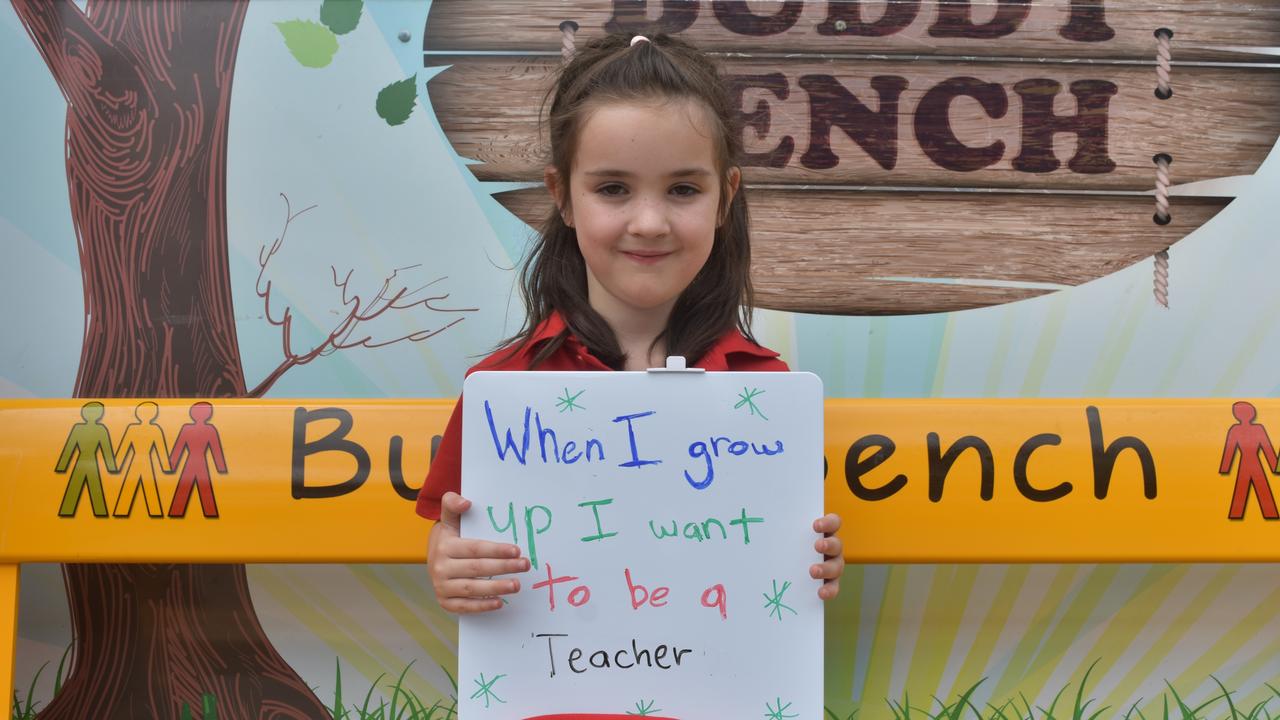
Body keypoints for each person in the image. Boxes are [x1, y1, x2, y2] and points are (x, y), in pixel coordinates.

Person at [418, 32, 845, 615]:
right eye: (613, 188)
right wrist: (448, 561)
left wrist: (812, 560)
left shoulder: (766, 388)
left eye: (683, 189)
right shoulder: (502, 390)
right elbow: (453, 531)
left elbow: (778, 553)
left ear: (725, 199)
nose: (648, 222)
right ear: (562, 197)